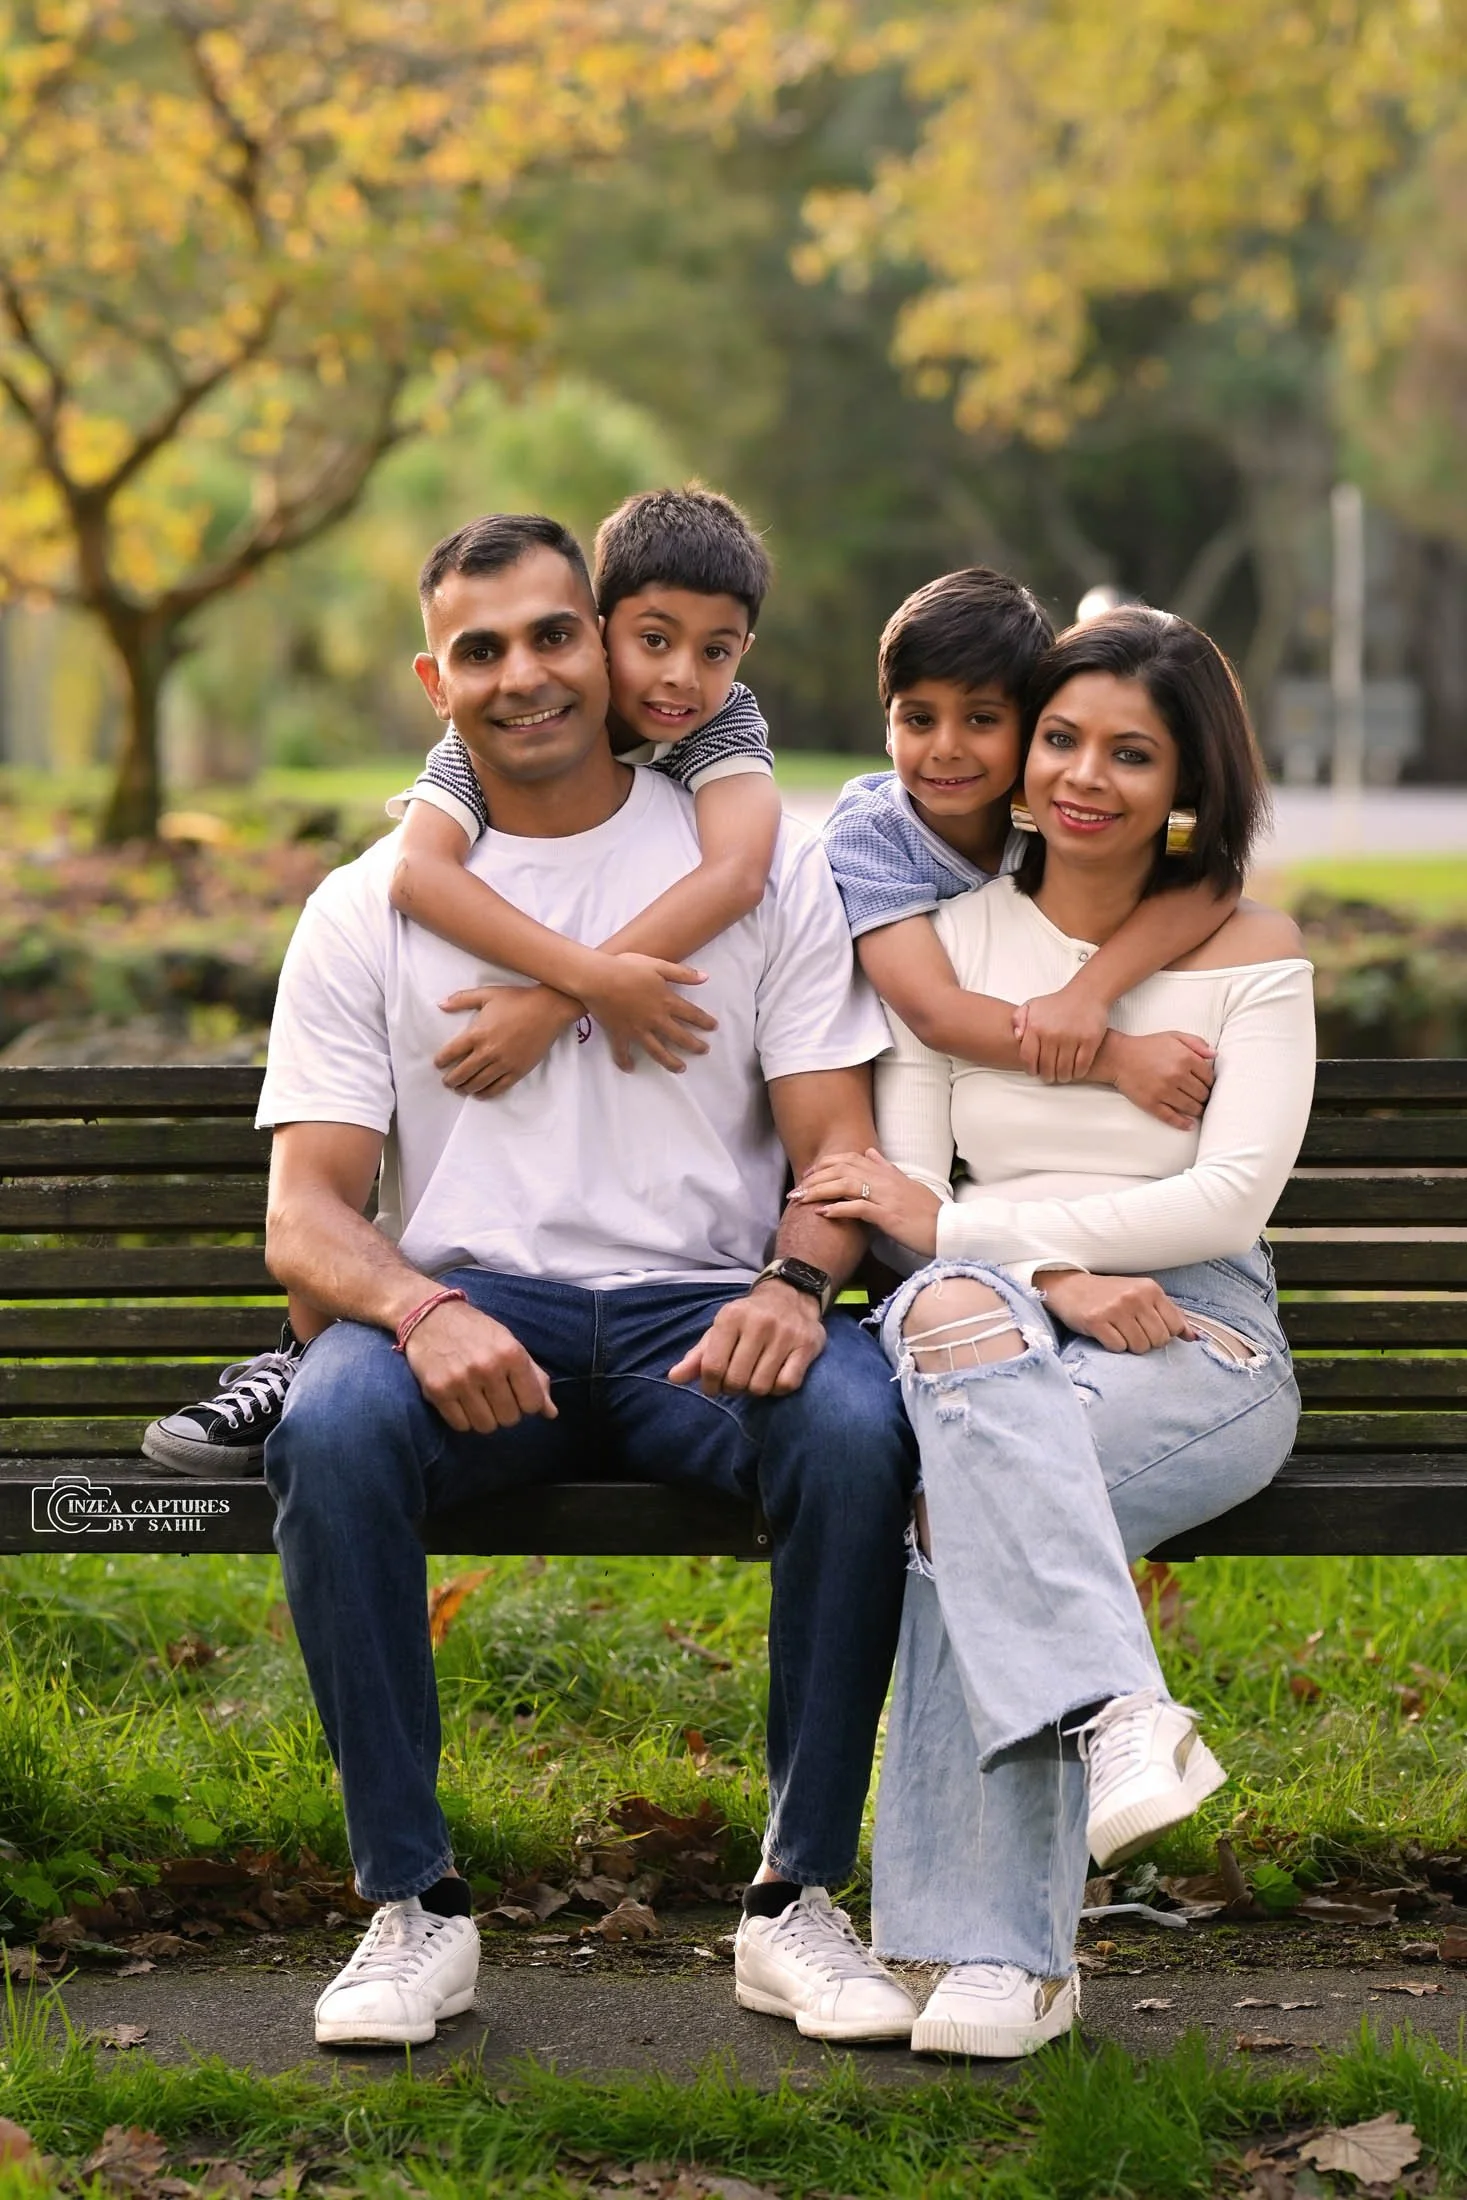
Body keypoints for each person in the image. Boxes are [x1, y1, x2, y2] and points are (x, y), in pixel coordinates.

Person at [253, 512, 922, 2049]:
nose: (524, 676)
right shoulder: (372, 902)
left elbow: (832, 1150)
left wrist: (792, 1285)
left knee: (850, 1426)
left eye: (552, 635)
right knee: (336, 1427)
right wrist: (418, 1307)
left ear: (605, 642)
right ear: (436, 679)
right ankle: (409, 1910)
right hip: (475, 1324)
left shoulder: (763, 865)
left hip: (707, 1315)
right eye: (480, 650)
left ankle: (792, 1902)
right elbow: (304, 1216)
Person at [797, 606, 1315, 2059]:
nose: (1084, 776)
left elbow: (1223, 1199)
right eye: (1065, 739)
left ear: (1184, 779)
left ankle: (990, 1953)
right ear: (1024, 754)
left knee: (966, 1482)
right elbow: (897, 1211)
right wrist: (1030, 1273)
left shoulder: (1251, 954)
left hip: (1191, 1339)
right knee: (973, 1398)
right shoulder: (941, 947)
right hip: (980, 1325)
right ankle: (1117, 1719)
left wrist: (1001, 1239)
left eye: (1130, 753)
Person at [142, 489, 786, 1476]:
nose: (680, 679)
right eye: (653, 641)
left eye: (716, 650)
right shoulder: (467, 768)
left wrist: (554, 1004)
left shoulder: (723, 732)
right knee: (345, 1251)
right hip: (474, 1302)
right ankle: (298, 1354)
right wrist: (585, 983)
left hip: (679, 1306)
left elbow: (737, 874)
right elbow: (417, 876)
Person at [823, 567, 1238, 1118]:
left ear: (1031, 725)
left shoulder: (1050, 809)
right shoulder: (869, 834)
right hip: (894, 1093)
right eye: (919, 719)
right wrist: (1115, 1059)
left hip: (1015, 1099)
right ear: (887, 727)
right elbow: (934, 1012)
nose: (946, 748)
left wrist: (1088, 993)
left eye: (981, 719)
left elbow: (1210, 879)